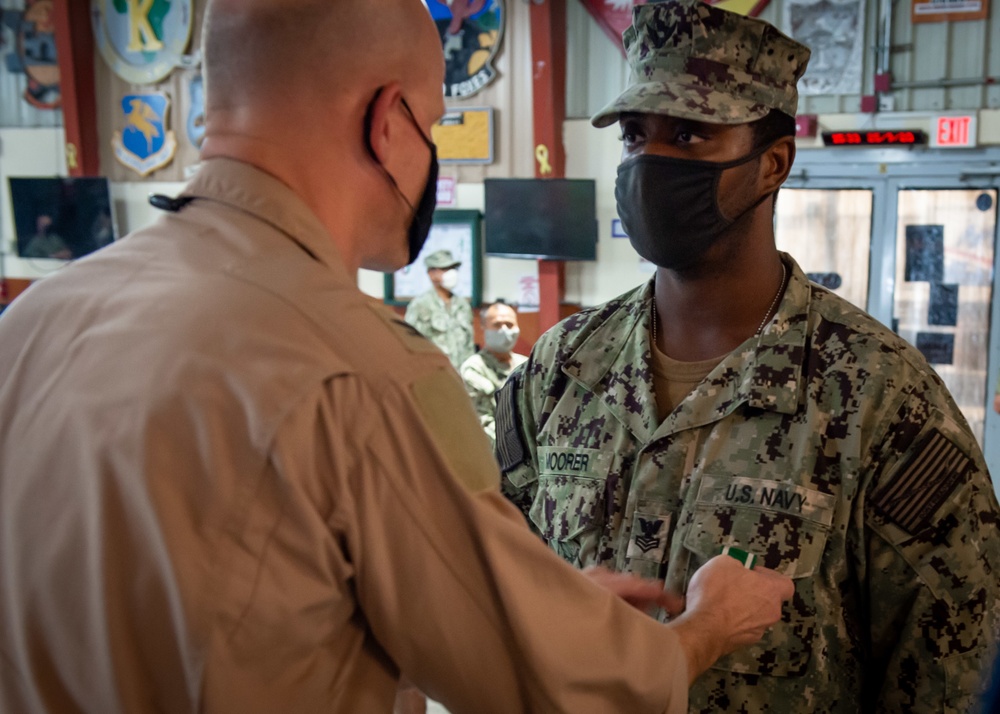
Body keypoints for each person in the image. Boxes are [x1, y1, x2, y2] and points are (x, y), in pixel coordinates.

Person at [0, 1, 796, 713]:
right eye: (437, 127)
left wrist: (533, 607)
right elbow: (556, 692)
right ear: (388, 122)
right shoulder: (361, 372)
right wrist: (702, 630)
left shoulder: (37, 322)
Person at [496, 2, 1000, 712]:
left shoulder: (880, 399)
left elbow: (949, 676)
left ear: (772, 163)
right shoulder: (562, 370)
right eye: (637, 135)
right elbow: (487, 591)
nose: (652, 163)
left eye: (690, 134)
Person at [460, 300, 527, 445]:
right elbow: (480, 422)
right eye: (497, 325)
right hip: (496, 455)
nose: (504, 330)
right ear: (483, 327)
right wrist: (520, 447)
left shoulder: (527, 365)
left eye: (509, 325)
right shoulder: (474, 368)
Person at [404, 248, 474, 370]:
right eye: (445, 269)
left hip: (461, 377)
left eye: (453, 268)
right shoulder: (420, 305)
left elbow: (469, 345)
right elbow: (409, 343)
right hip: (433, 375)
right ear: (431, 274)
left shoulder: (463, 305)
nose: (451, 273)